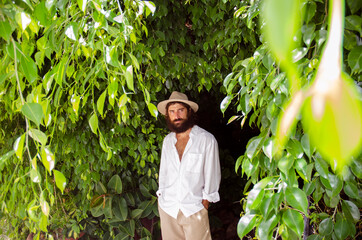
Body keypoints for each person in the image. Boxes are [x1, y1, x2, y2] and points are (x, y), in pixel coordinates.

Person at [156, 91, 221, 240]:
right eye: (172, 111)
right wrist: (162, 196)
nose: (176, 115)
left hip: (194, 209)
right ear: (168, 115)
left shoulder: (206, 140)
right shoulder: (167, 141)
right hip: (168, 208)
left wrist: (205, 204)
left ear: (189, 111)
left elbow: (212, 174)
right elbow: (164, 173)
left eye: (180, 110)